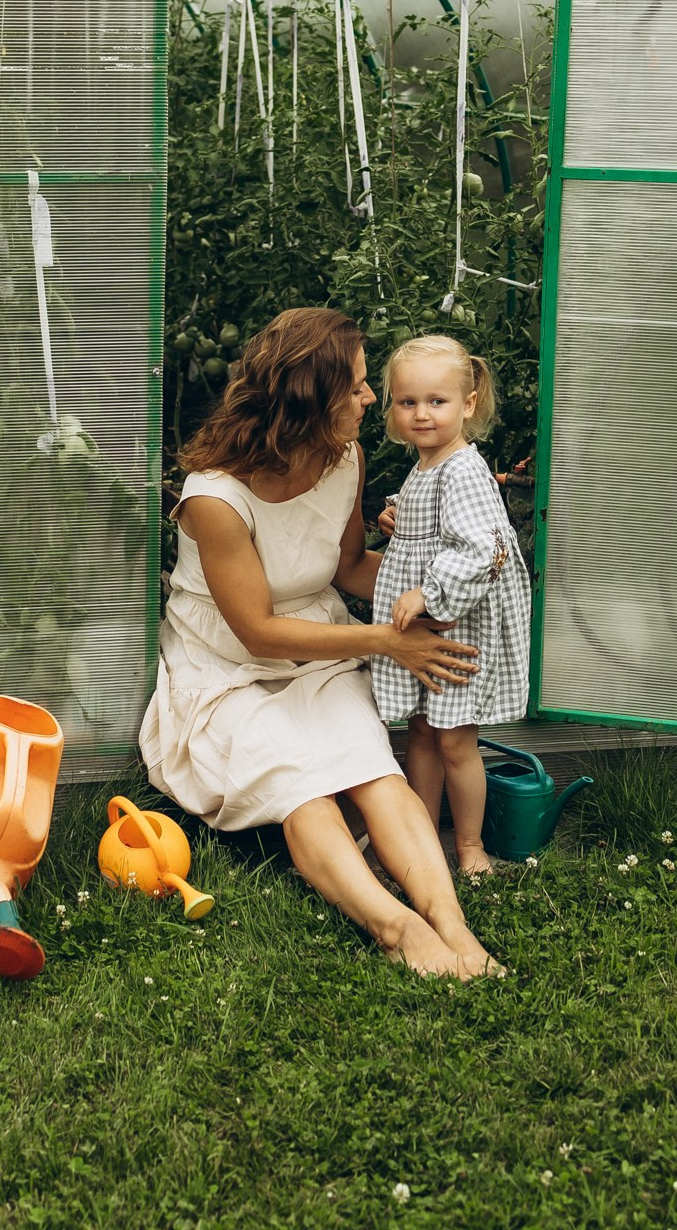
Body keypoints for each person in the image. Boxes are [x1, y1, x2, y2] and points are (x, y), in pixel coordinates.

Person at [139, 307, 502, 979]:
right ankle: (395, 929)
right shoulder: (214, 498)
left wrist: (448, 595)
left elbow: (350, 568)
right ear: (313, 399)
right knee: (304, 786)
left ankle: (452, 926)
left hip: (324, 645)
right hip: (227, 666)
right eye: (359, 386)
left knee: (373, 768)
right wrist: (390, 643)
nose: (372, 399)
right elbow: (257, 629)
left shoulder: (345, 459)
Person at [370, 337, 531, 877]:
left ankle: (468, 846)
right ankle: (419, 835)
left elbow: (483, 549)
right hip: (434, 629)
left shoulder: (462, 468)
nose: (420, 414)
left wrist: (428, 593)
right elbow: (435, 521)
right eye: (407, 402)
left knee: (457, 741)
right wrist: (397, 515)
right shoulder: (429, 465)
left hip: (456, 624)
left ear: (467, 404)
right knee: (421, 729)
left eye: (436, 401)